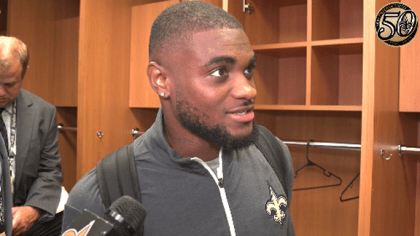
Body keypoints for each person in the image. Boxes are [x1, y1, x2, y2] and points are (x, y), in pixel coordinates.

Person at [62, 1, 295, 235]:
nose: (248, 90)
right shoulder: (100, 194)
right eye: (219, 72)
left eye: (248, 71)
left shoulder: (272, 153)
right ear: (161, 80)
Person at [0, 36, 63, 235]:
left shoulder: (43, 113)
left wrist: (33, 209)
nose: (0, 92)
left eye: (9, 84)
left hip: (20, 223)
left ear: (24, 72)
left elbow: (49, 171)